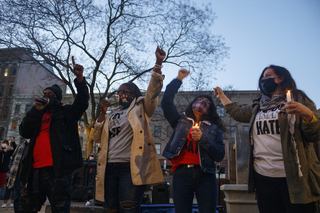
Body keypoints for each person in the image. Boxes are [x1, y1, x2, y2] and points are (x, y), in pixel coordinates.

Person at [214, 65, 320, 213]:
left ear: (280, 78)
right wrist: (222, 96)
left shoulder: (298, 98)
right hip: (263, 178)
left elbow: (314, 135)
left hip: (295, 178)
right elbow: (237, 113)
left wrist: (309, 116)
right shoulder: (257, 107)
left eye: (268, 75)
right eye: (262, 77)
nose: (264, 79)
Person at [92, 46, 165, 213]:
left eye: (124, 92)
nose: (120, 95)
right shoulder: (111, 114)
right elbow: (96, 137)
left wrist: (158, 64)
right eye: (118, 92)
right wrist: (102, 116)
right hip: (109, 167)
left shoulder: (141, 108)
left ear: (133, 94)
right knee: (109, 209)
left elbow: (152, 92)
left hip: (130, 167)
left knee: (128, 209)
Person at [18, 57, 89, 213]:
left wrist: (80, 79)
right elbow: (24, 131)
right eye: (44, 93)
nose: (46, 96)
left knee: (60, 208)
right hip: (35, 171)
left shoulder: (66, 113)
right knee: (27, 208)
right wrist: (35, 110)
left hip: (57, 171)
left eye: (50, 94)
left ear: (57, 99)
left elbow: (83, 102)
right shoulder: (37, 115)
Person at [161, 69, 225, 213]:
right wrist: (178, 79)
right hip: (181, 174)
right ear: (193, 103)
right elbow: (166, 102)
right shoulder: (179, 120)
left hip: (206, 175)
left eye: (207, 102)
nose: (203, 102)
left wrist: (203, 139)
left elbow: (220, 154)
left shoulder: (214, 128)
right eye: (200, 99)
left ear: (210, 109)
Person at [6, 139, 30, 213]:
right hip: (18, 174)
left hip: (29, 175)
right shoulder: (21, 146)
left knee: (27, 197)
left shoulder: (36, 145)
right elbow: (13, 158)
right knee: (17, 197)